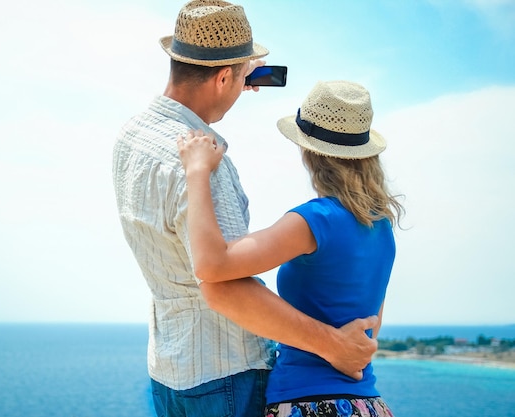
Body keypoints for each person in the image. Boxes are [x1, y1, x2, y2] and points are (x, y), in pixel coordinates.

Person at [112, 1, 378, 416]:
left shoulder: (131, 139)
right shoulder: (207, 164)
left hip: (168, 368)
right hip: (224, 370)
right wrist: (335, 346)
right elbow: (222, 283)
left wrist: (230, 77)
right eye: (236, 79)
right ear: (221, 76)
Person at [177, 80, 404, 417]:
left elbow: (212, 266)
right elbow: (371, 329)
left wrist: (196, 171)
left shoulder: (315, 220)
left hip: (309, 405)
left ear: (308, 151)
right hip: (368, 404)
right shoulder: (382, 226)